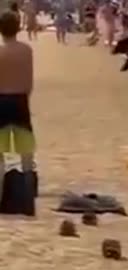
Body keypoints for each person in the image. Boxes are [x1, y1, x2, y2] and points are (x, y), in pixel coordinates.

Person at [0, 11, 37, 216]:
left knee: (0, 156)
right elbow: (29, 81)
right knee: (26, 156)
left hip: (1, 101)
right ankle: (28, 203)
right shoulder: (26, 50)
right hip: (21, 100)